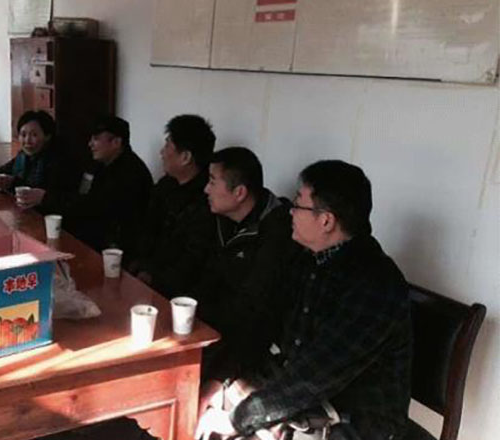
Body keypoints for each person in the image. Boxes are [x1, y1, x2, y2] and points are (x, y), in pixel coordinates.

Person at [196, 160, 412, 440]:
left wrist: (239, 419)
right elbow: (261, 323)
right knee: (197, 399)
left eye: (298, 204)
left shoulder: (375, 284)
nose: (291, 212)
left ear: (326, 221)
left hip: (355, 419)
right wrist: (219, 379)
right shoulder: (307, 257)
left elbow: (316, 375)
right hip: (303, 396)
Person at [195, 147, 295, 380]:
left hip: (246, 347)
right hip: (213, 327)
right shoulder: (222, 217)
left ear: (239, 193)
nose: (206, 189)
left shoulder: (278, 234)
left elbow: (255, 312)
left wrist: (221, 376)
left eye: (212, 182)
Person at [132, 114, 216, 298]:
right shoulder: (166, 185)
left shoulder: (208, 199)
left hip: (176, 293)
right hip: (146, 275)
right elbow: (147, 229)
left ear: (185, 157)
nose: (161, 153)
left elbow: (192, 261)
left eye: (167, 146)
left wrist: (153, 278)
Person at [64, 115, 153, 259]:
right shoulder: (102, 163)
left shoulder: (131, 173)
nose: (90, 144)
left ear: (116, 142)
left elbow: (97, 208)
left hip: (117, 250)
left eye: (96, 139)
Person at [0, 110, 81, 214]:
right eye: (23, 135)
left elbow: (69, 200)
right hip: (23, 213)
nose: (27, 140)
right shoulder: (22, 156)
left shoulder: (60, 160)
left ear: (47, 136)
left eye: (34, 135)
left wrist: (44, 198)